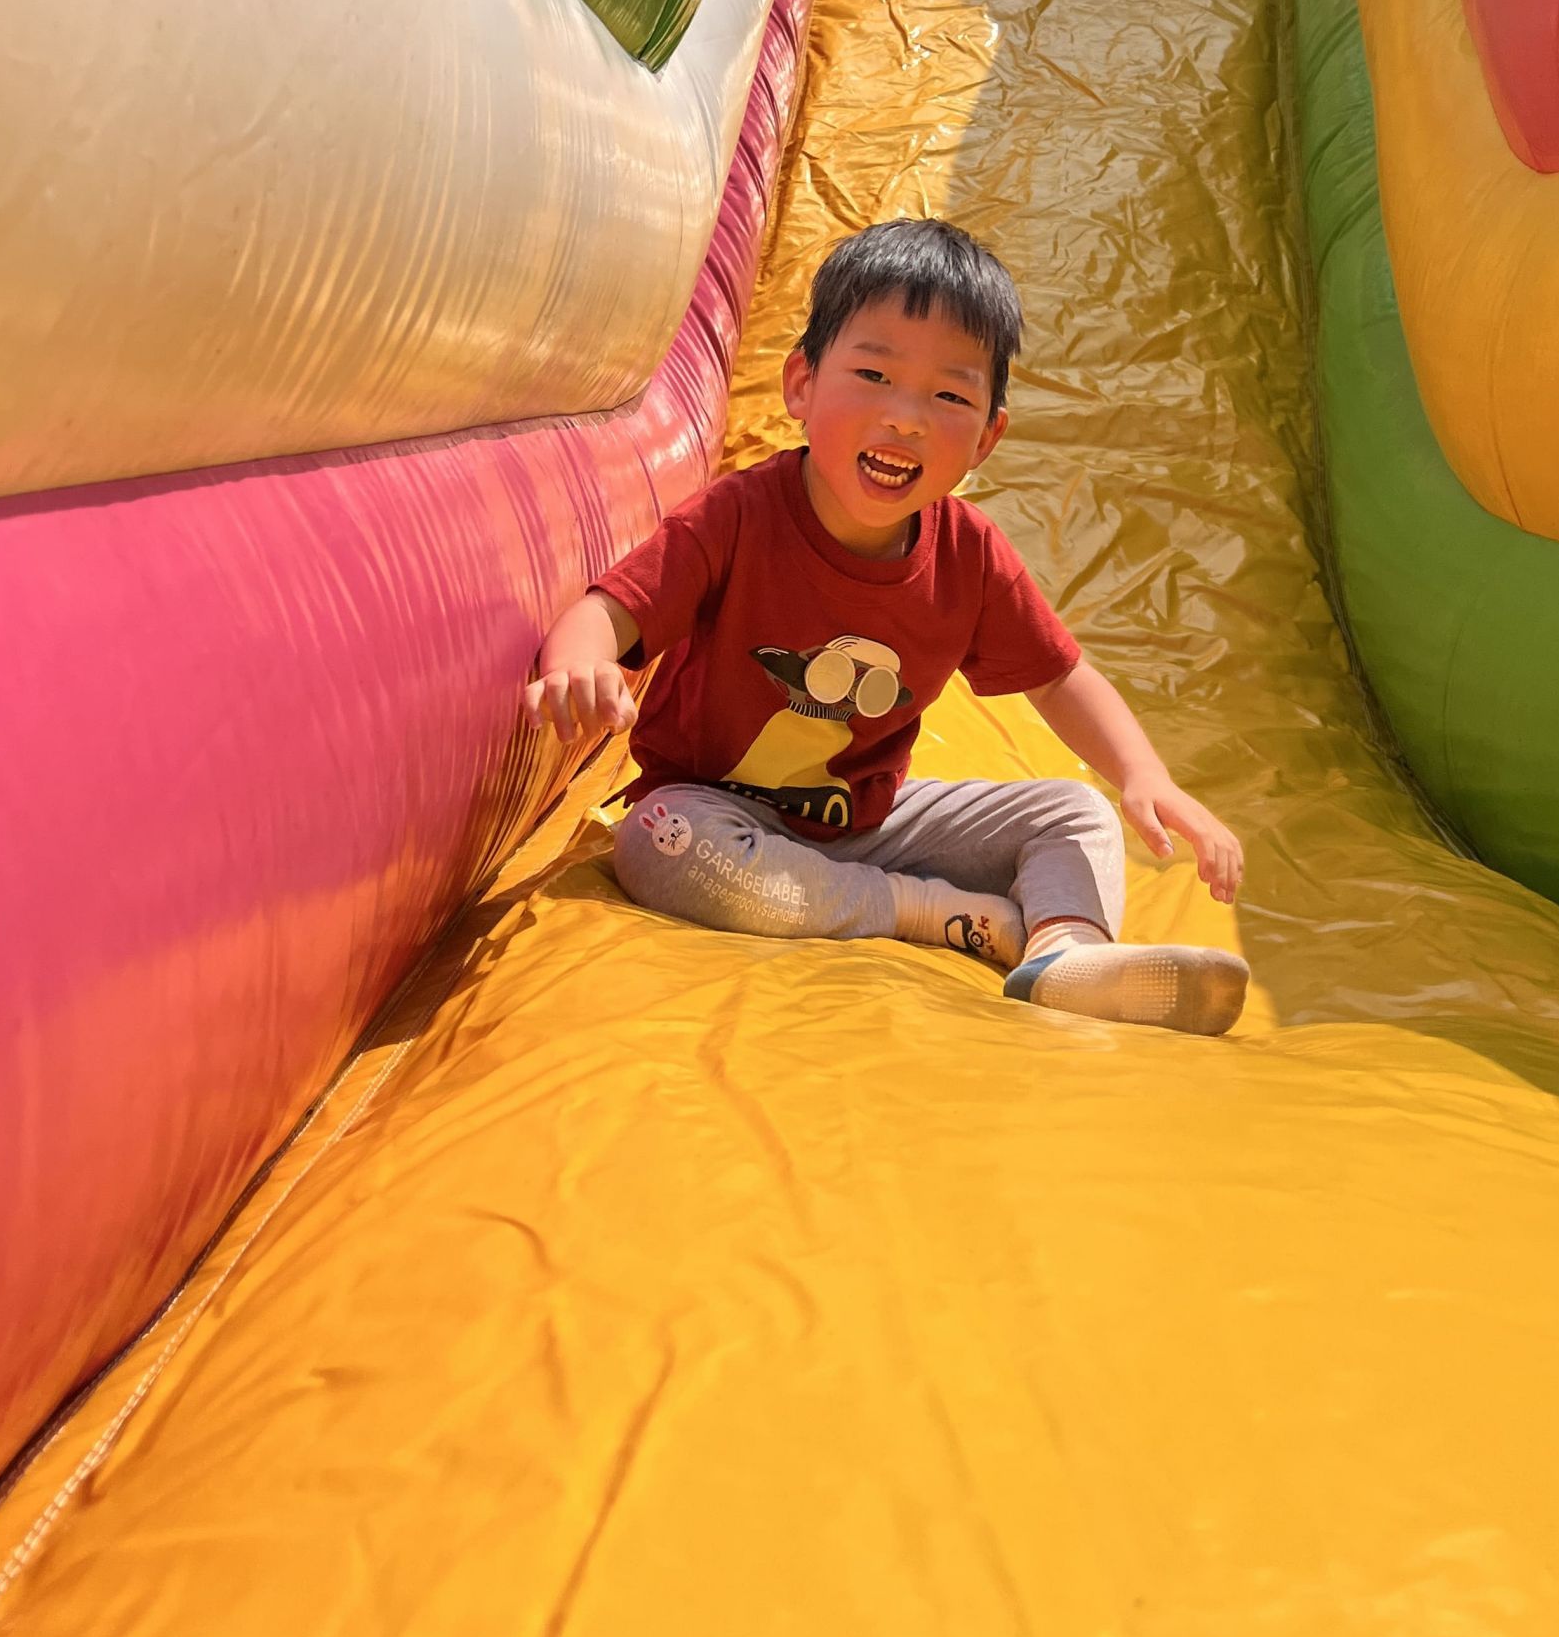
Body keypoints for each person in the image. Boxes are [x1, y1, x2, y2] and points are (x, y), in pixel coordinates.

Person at [524, 219, 1248, 1036]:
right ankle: (940, 915)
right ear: (801, 384)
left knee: (1072, 813)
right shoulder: (738, 517)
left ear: (989, 436)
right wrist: (580, 662)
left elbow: (1059, 677)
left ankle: (1066, 952)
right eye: (873, 374)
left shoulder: (969, 555)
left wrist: (1145, 776)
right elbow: (608, 609)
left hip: (871, 823)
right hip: (719, 812)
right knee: (658, 839)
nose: (906, 417)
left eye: (950, 396)